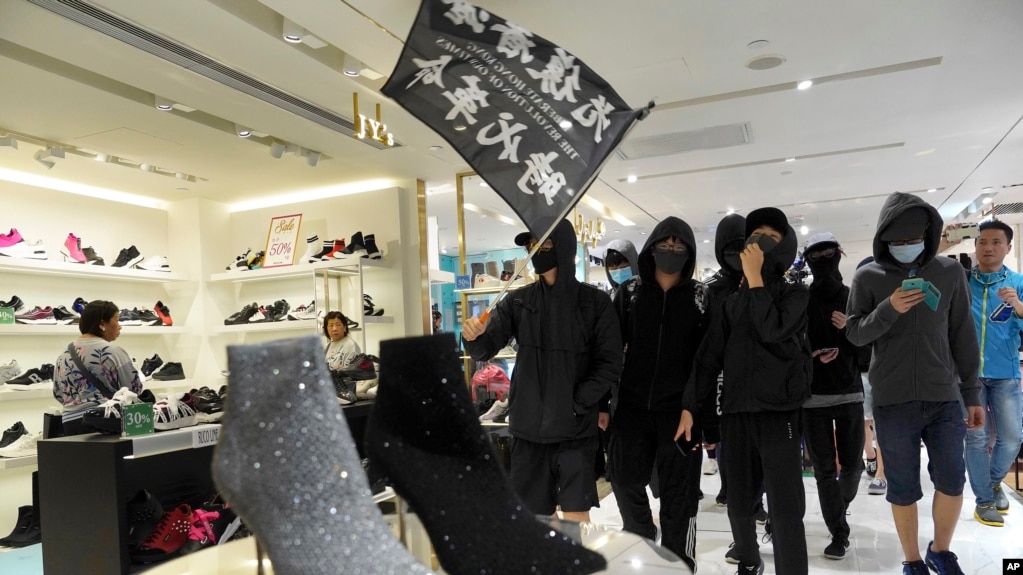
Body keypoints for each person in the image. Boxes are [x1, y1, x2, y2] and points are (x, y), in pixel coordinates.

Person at [845, 192, 982, 575]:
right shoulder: (867, 276)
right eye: (898, 242)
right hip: (893, 398)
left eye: (913, 239)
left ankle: (941, 549)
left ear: (929, 234)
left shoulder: (949, 273)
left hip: (944, 397)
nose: (907, 247)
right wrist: (889, 309)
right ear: (883, 239)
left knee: (953, 480)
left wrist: (971, 393)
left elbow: (963, 335)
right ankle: (912, 560)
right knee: (903, 485)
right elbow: (854, 334)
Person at [679, 207, 811, 575]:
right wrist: (691, 406)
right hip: (736, 414)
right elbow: (708, 357)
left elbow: (772, 330)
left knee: (785, 510)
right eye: (756, 235)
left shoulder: (795, 295)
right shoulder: (731, 302)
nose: (763, 242)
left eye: (772, 236)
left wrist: (754, 280)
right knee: (738, 504)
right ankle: (749, 562)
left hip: (779, 414)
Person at [462, 219, 622, 523]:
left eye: (543, 244)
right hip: (528, 432)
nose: (535, 251)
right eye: (530, 245)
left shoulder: (594, 303)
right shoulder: (518, 301)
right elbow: (484, 349)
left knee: (576, 516)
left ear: (562, 247)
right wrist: (472, 334)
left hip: (575, 432)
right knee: (536, 518)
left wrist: (577, 404)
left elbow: (610, 363)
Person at [607, 217, 706, 570]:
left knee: (680, 497)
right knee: (622, 477)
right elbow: (610, 349)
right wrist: (607, 402)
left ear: (689, 253)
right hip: (631, 408)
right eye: (664, 245)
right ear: (651, 248)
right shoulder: (630, 293)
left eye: (679, 248)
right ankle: (640, 536)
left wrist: (692, 408)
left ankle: (680, 562)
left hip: (680, 413)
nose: (671, 252)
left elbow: (704, 361)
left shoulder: (700, 298)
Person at [949, 219, 1023, 527]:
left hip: (1006, 372)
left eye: (995, 242)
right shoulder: (963, 281)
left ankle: (994, 482)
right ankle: (984, 500)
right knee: (976, 438)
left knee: (1012, 436)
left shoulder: (1017, 283)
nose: (988, 247)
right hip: (968, 376)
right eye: (982, 242)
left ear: (1007, 247)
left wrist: (1017, 305)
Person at [800, 232, 865, 560]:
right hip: (812, 399)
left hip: (850, 394)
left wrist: (848, 331)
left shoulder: (853, 298)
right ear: (807, 258)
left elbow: (867, 355)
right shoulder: (800, 300)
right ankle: (839, 531)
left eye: (828, 253)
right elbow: (791, 348)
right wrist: (810, 353)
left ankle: (839, 508)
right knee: (824, 470)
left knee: (853, 468)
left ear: (839, 253)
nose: (823, 259)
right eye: (815, 254)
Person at [701, 213, 747, 508]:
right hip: (720, 372)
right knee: (725, 434)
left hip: (755, 372)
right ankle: (730, 487)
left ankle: (750, 494)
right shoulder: (710, 289)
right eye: (729, 249)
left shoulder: (761, 282)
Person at [53, 300, 143, 436]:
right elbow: (134, 388)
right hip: (104, 420)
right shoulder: (113, 351)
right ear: (102, 324)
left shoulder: (64, 354)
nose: (120, 327)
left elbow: (58, 393)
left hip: (69, 424)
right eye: (117, 320)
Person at [597, 239, 639, 479]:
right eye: (612, 266)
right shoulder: (604, 301)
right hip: (614, 389)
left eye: (622, 264)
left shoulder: (645, 294)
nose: (617, 270)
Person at [855, 257, 889, 498]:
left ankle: (882, 474)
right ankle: (871, 456)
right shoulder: (854, 308)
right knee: (864, 421)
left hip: (889, 373)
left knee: (884, 423)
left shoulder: (891, 305)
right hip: (862, 372)